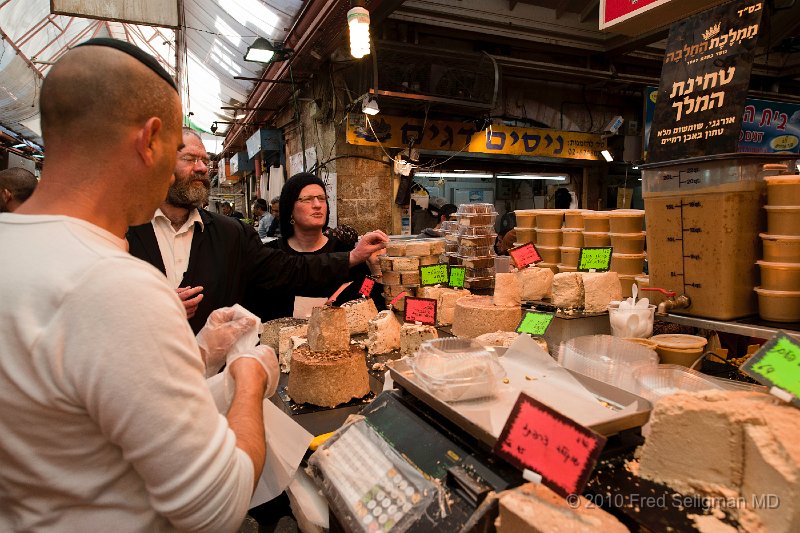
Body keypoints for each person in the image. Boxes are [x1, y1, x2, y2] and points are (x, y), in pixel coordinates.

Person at [0, 38, 278, 531]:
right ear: (150, 141)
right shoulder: (114, 283)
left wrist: (200, 349)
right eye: (176, 149)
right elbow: (216, 506)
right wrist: (250, 380)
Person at [127, 128, 387, 332]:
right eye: (189, 159)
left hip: (215, 379)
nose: (202, 168)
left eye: (205, 160)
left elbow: (292, 269)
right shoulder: (122, 231)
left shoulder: (231, 234)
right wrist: (149, 309)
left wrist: (353, 257)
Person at [262, 173, 384, 319]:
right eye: (307, 199)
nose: (317, 205)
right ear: (290, 210)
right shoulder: (272, 254)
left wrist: (377, 271)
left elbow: (370, 299)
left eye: (322, 198)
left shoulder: (347, 252)